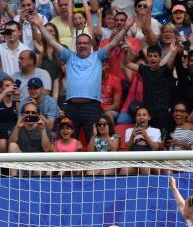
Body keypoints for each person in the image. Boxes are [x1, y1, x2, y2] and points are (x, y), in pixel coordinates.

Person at [31, 12, 132, 142]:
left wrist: (126, 28)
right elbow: (51, 41)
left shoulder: (98, 56)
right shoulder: (69, 56)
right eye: (80, 43)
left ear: (91, 46)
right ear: (76, 46)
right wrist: (40, 25)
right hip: (71, 107)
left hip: (92, 107)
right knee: (69, 143)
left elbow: (114, 43)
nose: (82, 45)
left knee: (96, 142)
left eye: (85, 43)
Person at [122, 43, 178, 131]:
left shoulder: (165, 69)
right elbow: (127, 63)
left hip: (162, 112)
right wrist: (125, 53)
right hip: (148, 112)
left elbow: (171, 60)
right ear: (147, 58)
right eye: (150, 56)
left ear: (160, 58)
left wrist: (173, 52)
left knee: (160, 139)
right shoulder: (144, 70)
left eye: (155, 56)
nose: (152, 58)